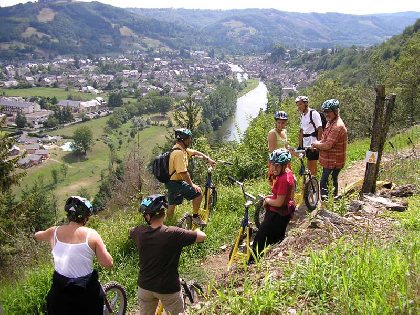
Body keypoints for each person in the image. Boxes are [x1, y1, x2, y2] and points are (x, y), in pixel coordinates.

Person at [34, 196, 113, 315]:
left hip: (59, 295)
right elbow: (108, 263)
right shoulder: (92, 235)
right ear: (85, 217)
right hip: (86, 294)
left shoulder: (53, 232)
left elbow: (37, 235)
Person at [130, 194, 206, 315]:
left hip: (145, 287)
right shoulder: (174, 233)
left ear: (148, 216)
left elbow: (131, 231)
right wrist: (196, 230)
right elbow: (202, 237)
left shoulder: (138, 232)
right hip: (168, 288)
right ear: (163, 213)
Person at [250, 149, 295, 263]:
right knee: (277, 238)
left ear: (284, 166)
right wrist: (270, 196)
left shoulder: (283, 180)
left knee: (260, 239)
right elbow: (283, 194)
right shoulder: (287, 173)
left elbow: (279, 202)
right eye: (272, 165)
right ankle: (272, 258)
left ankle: (252, 262)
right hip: (283, 213)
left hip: (277, 214)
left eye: (277, 166)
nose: (273, 169)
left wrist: (267, 200)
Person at [166, 128, 216, 226]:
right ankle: (195, 217)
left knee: (172, 204)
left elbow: (194, 152)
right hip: (175, 183)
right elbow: (183, 173)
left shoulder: (179, 149)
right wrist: (192, 185)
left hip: (170, 182)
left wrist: (207, 159)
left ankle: (168, 224)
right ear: (183, 140)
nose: (190, 140)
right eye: (188, 138)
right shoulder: (179, 153)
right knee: (198, 193)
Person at [311, 99, 348, 200]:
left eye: (329, 111)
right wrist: (317, 144)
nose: (326, 114)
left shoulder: (337, 126)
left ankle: (326, 203)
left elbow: (327, 145)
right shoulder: (330, 123)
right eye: (325, 111)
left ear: (335, 111)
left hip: (334, 161)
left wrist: (315, 144)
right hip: (330, 160)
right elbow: (324, 140)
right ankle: (333, 200)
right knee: (332, 180)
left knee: (324, 182)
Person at [296, 95, 323, 176]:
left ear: (305, 104)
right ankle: (311, 184)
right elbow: (301, 131)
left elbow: (320, 129)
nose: (298, 107)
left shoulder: (313, 113)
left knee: (312, 166)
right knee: (308, 166)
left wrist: (318, 144)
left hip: (313, 143)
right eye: (297, 105)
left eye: (300, 104)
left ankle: (313, 185)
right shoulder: (302, 115)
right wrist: (300, 146)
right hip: (306, 143)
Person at [267, 111, 290, 185]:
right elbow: (272, 151)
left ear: (285, 123)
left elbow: (287, 146)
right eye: (279, 122)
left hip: (285, 161)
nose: (280, 125)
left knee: (287, 182)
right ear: (276, 123)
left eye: (283, 123)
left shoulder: (284, 132)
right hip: (275, 163)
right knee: (276, 184)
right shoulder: (272, 133)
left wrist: (296, 153)